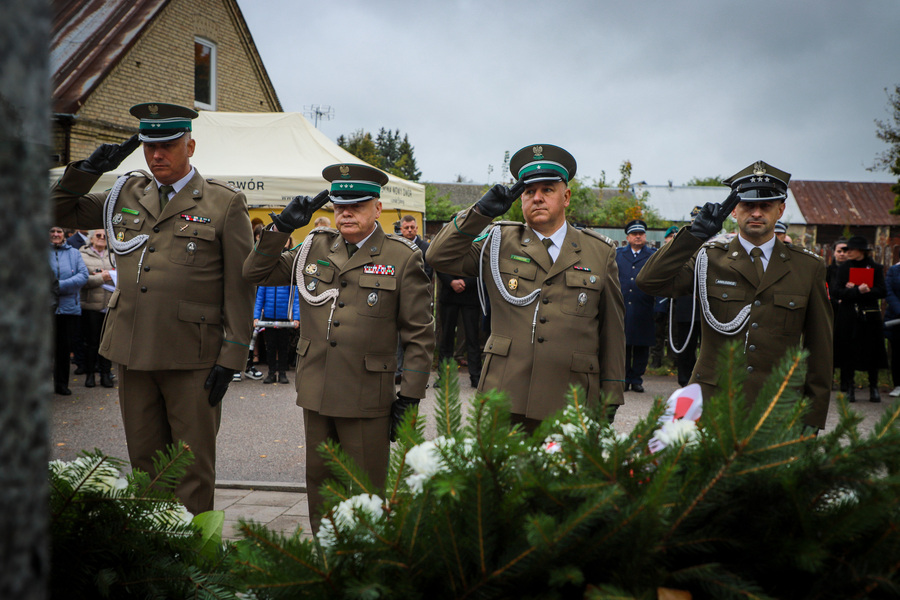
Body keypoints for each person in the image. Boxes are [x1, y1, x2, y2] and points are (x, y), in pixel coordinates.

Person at [51, 102, 255, 515]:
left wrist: (232, 355)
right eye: (149, 146)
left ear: (190, 145)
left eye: (167, 145)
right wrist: (85, 170)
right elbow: (56, 211)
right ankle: (155, 560)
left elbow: (240, 286)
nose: (156, 155)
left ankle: (193, 563)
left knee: (192, 465)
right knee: (145, 463)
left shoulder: (223, 204)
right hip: (132, 349)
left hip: (192, 356)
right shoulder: (125, 193)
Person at [243, 163, 434, 529]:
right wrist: (282, 227)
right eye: (339, 205)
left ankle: (366, 571)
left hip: (368, 395)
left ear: (377, 207)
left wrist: (409, 397)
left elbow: (419, 334)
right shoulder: (313, 246)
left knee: (367, 493)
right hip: (316, 389)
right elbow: (254, 273)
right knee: (320, 487)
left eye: (356, 204)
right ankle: (328, 564)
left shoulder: (402, 256)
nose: (345, 212)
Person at [426, 143, 626, 434]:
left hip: (572, 399)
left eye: (547, 190)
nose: (537, 198)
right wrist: (479, 213)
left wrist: (611, 396)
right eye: (529, 192)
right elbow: (438, 256)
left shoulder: (598, 252)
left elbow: (612, 331)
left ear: (566, 196)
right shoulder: (498, 241)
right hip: (505, 394)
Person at [636, 161, 833, 431]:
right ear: (733, 211)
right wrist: (693, 236)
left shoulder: (807, 267)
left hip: (777, 404)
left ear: (780, 210)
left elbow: (819, 348)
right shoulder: (709, 256)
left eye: (765, 206)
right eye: (747, 205)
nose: (756, 212)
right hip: (711, 402)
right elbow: (650, 281)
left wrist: (811, 418)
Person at [833, 235, 887, 402]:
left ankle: (873, 387)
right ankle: (850, 387)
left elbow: (882, 290)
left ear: (861, 251)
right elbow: (837, 292)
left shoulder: (875, 268)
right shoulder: (844, 268)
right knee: (848, 352)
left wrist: (867, 290)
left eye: (851, 249)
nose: (847, 252)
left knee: (872, 351)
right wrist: (856, 290)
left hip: (870, 316)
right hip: (849, 317)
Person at [253, 236, 301, 384]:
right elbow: (259, 297)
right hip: (268, 317)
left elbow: (295, 298)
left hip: (284, 317)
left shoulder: (289, 275)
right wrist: (256, 317)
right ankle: (271, 372)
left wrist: (296, 317)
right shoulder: (266, 278)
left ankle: (282, 373)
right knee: (270, 346)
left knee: (283, 346)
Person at [617, 219, 657, 392]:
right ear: (628, 236)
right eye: (634, 234)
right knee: (623, 345)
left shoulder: (653, 255)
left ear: (645, 236)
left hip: (644, 306)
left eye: (641, 234)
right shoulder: (618, 254)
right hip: (623, 306)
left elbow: (659, 280)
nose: (638, 236)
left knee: (642, 345)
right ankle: (624, 378)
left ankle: (637, 378)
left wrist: (659, 306)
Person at [50, 226, 89, 395]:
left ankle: (61, 384)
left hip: (67, 309)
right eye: (52, 231)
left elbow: (83, 275)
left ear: (64, 234)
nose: (56, 235)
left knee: (63, 349)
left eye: (59, 231)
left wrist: (58, 286)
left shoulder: (74, 253)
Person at [396, 214, 433, 383]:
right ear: (401, 229)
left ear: (417, 228)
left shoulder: (426, 247)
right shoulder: (396, 246)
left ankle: (416, 374)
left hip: (418, 298)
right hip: (398, 298)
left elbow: (428, 272)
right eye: (406, 228)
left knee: (417, 337)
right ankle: (398, 371)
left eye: (412, 227)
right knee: (397, 336)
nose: (410, 230)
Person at [79, 230, 115, 388]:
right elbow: (82, 279)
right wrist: (102, 278)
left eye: (104, 236)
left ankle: (106, 374)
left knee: (108, 343)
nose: (101, 238)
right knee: (92, 343)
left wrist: (112, 276)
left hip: (110, 306)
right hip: (91, 306)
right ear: (91, 238)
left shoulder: (113, 255)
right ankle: (90, 375)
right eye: (98, 235)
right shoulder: (82, 254)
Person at [436, 268, 482, 386]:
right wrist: (451, 282)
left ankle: (476, 376)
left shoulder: (477, 248)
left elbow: (482, 266)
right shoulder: (446, 248)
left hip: (471, 295)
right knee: (446, 337)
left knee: (473, 338)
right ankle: (444, 377)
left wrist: (467, 282)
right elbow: (439, 263)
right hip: (449, 293)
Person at [650, 226, 679, 369]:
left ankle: (673, 360)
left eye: (675, 237)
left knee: (674, 331)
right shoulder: (658, 254)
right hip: (660, 297)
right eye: (670, 237)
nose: (672, 240)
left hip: (676, 299)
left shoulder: (681, 255)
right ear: (665, 239)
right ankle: (656, 359)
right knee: (658, 330)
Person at [884, 256, 900, 397]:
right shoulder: (894, 271)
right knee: (897, 353)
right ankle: (898, 384)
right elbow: (888, 292)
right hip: (896, 318)